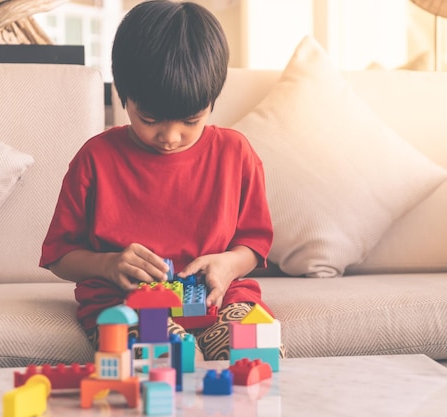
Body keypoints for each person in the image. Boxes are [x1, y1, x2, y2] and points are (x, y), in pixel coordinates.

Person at [39, 0, 277, 361]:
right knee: (169, 364)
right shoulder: (96, 159)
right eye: (149, 119)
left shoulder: (236, 153)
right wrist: (108, 264)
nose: (170, 137)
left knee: (255, 357)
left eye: (191, 121)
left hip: (219, 297)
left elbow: (253, 244)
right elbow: (60, 255)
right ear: (123, 95)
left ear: (212, 101)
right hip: (124, 304)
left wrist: (228, 265)